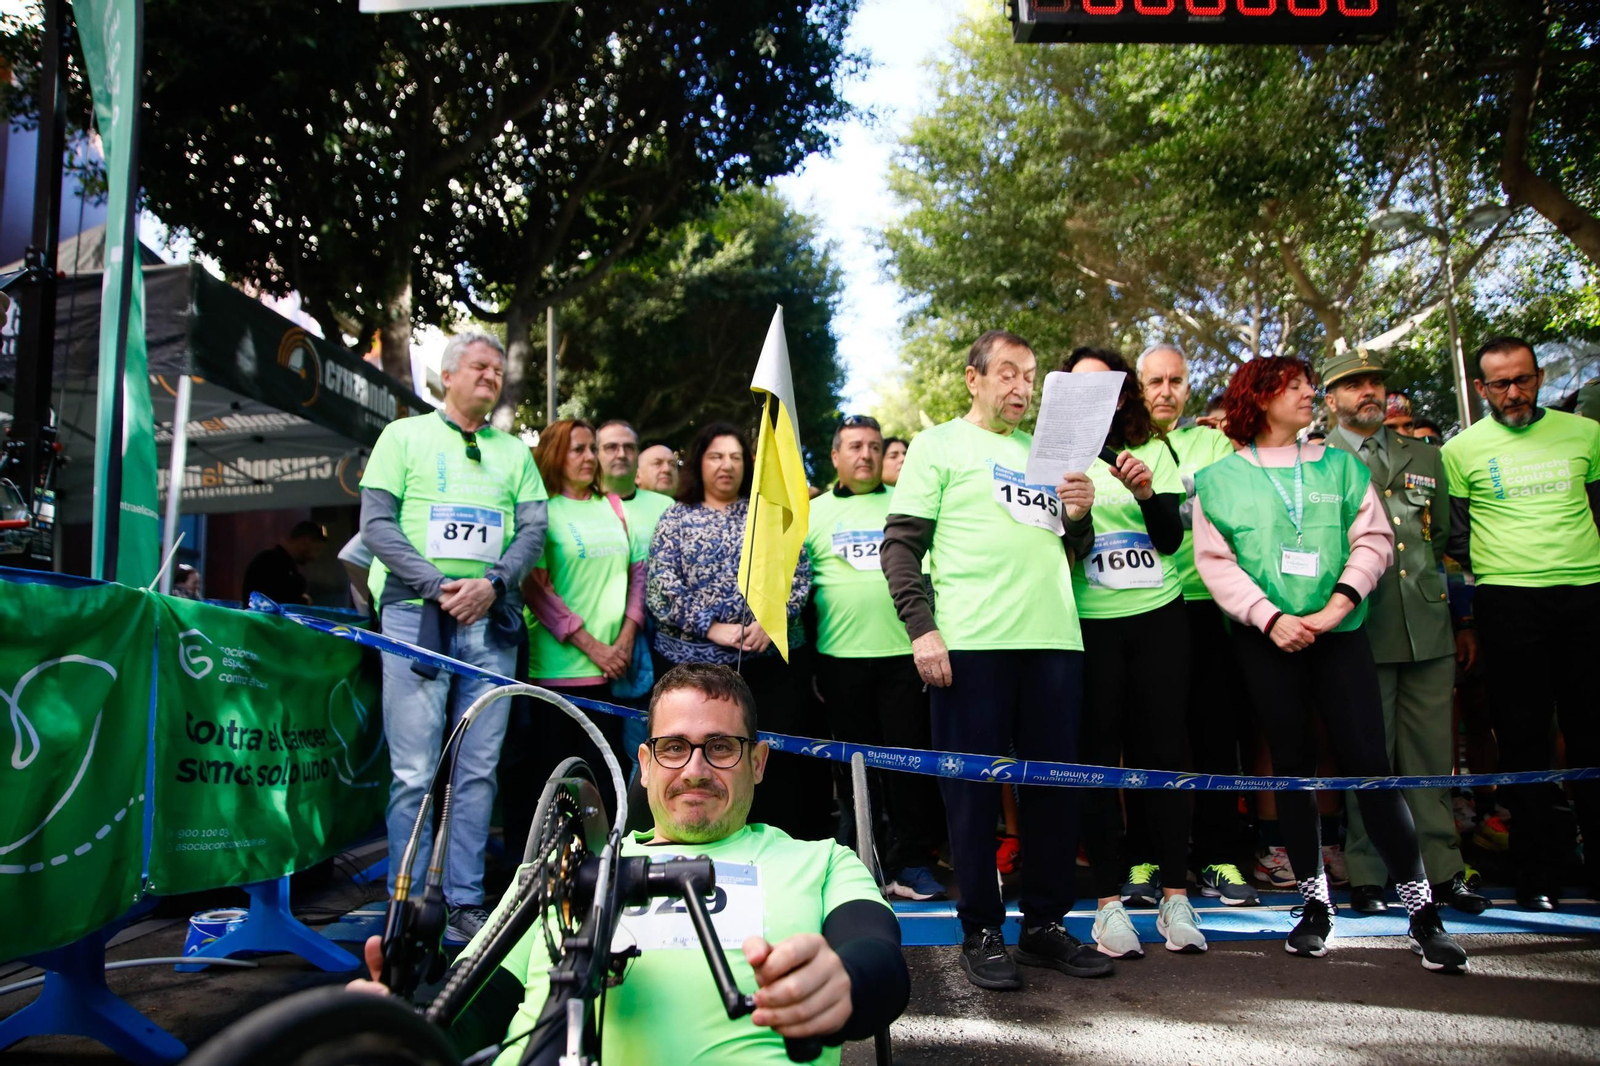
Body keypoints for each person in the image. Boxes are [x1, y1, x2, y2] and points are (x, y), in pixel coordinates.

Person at [350, 664, 909, 1066]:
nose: (694, 770)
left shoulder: (820, 862)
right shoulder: (566, 864)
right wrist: (396, 1029)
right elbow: (467, 1012)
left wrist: (842, 984)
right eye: (673, 748)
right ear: (644, 764)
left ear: (757, 763)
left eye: (720, 747)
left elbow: (881, 963)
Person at [1192, 355, 1467, 972]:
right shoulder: (1217, 479)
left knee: (1371, 765)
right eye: (1294, 387)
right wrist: (1270, 617)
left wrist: (1337, 606)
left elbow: (1374, 539)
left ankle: (1424, 916)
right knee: (1293, 768)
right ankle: (1316, 910)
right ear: (1259, 398)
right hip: (1267, 638)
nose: (1308, 394)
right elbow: (1216, 561)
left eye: (1307, 385)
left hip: (1340, 633)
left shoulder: (1341, 464)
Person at [882, 328, 1112, 990]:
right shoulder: (938, 446)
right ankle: (981, 929)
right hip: (971, 645)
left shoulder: (1044, 455)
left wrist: (1080, 516)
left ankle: (1043, 925)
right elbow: (899, 547)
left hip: (1055, 643)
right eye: (1008, 373)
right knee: (972, 798)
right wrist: (922, 631)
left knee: (1051, 795)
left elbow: (1068, 550)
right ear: (972, 378)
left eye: (1031, 376)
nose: (1022, 387)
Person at [359, 330, 548, 945]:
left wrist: (491, 584)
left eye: (498, 370)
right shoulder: (403, 435)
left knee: (478, 771)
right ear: (448, 375)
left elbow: (532, 531)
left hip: (489, 622)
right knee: (414, 771)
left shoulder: (514, 454)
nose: (492, 377)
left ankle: (464, 903)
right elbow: (376, 526)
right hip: (418, 616)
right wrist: (440, 584)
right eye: (480, 367)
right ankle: (406, 905)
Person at [1322, 348, 1487, 916]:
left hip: (1426, 625)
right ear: (1331, 400)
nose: (1368, 392)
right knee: (1368, 757)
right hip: (1359, 626)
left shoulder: (1426, 455)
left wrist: (1460, 620)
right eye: (1353, 385)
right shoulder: (1316, 461)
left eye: (1374, 382)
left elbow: (1439, 540)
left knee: (1430, 757)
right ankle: (1369, 872)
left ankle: (1444, 870)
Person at [1442, 336, 1600, 910]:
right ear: (1481, 389)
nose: (1515, 393)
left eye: (1524, 379)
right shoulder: (1461, 451)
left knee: (1591, 731)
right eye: (1501, 384)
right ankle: (1539, 872)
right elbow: (1456, 536)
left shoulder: (1585, 434)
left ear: (1539, 378)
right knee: (1523, 738)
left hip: (1587, 596)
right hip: (1509, 603)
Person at [1060, 347, 1204, 957]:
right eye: (1081, 388)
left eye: (1107, 388)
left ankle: (1176, 897)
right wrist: (1078, 517)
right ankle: (1108, 904)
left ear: (1123, 396)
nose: (1096, 398)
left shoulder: (1154, 450)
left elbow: (1171, 541)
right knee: (1098, 760)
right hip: (1091, 626)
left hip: (1161, 620)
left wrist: (1147, 496)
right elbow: (1061, 550)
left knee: (1167, 754)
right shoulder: (1052, 459)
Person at [647, 422, 828, 841]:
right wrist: (714, 628)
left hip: (772, 669)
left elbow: (797, 573)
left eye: (734, 457)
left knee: (777, 768)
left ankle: (782, 847)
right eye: (715, 456)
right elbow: (661, 590)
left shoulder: (770, 516)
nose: (726, 466)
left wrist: (770, 620)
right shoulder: (675, 518)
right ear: (699, 463)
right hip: (694, 671)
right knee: (708, 764)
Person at [1137, 343, 1259, 908]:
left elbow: (1226, 507)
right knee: (1146, 739)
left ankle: (1219, 857)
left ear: (1188, 387)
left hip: (1207, 605)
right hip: (1141, 608)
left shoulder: (1210, 441)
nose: (1166, 391)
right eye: (1155, 381)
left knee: (1214, 735)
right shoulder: (1119, 446)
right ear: (1138, 388)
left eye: (1176, 381)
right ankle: (1146, 857)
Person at [805, 414, 947, 902]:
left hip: (905, 658)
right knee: (853, 769)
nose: (865, 454)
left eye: (873, 446)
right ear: (835, 457)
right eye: (854, 447)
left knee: (908, 764)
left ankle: (912, 863)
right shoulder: (812, 513)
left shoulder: (908, 506)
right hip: (839, 662)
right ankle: (861, 862)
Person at [515, 419, 645, 828]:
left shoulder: (613, 506)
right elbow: (536, 589)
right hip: (557, 675)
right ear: (555, 454)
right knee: (553, 788)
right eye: (578, 449)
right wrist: (594, 647)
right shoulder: (542, 510)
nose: (590, 457)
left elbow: (637, 575)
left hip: (611, 674)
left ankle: (601, 876)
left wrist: (624, 639)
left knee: (602, 789)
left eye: (593, 449)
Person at [241, 520, 326, 605]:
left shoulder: (285, 565)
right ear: (304, 541)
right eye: (317, 550)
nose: (315, 557)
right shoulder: (270, 561)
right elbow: (276, 599)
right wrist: (303, 601)